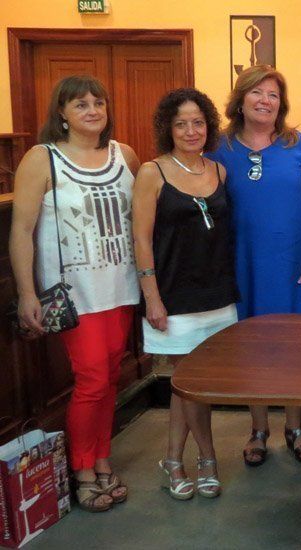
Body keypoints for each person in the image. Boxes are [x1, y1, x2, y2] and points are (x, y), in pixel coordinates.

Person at [10, 75, 140, 512]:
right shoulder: (40, 159)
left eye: (98, 102)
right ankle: (82, 469)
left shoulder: (125, 155)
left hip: (120, 287)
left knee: (109, 379)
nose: (91, 110)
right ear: (61, 113)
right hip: (73, 295)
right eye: (80, 104)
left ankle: (101, 458)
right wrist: (28, 292)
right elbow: (22, 231)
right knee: (89, 380)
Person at [205, 65, 301, 465]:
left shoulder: (298, 145)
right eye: (257, 92)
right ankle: (258, 429)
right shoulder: (218, 148)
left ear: (282, 103)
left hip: (296, 265)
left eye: (273, 94)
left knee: (298, 347)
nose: (265, 100)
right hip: (245, 267)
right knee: (250, 347)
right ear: (240, 100)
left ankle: (295, 426)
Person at [132, 88, 239, 500]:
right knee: (191, 383)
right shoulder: (151, 172)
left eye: (198, 122)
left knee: (187, 385)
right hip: (173, 297)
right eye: (181, 123)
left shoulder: (219, 171)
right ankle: (208, 458)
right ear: (167, 128)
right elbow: (141, 240)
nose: (191, 130)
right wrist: (152, 297)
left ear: (208, 125)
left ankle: (173, 461)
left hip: (217, 295)